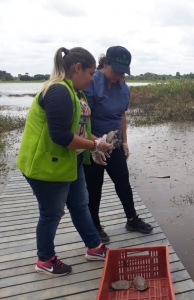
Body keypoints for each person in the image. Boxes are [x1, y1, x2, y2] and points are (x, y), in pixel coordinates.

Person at [16, 47, 113, 276]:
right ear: (77, 68)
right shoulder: (58, 91)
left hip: (70, 162)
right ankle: (45, 260)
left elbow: (78, 129)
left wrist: (96, 140)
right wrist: (95, 146)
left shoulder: (77, 92)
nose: (92, 79)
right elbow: (60, 135)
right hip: (46, 167)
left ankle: (94, 247)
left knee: (80, 205)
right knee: (51, 214)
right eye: (90, 74)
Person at [83, 46, 153, 244]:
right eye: (116, 70)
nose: (119, 75)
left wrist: (124, 142)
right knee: (94, 186)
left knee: (122, 179)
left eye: (124, 71)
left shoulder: (124, 88)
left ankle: (132, 220)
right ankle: (95, 225)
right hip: (92, 143)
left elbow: (121, 115)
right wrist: (96, 142)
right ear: (105, 64)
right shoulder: (91, 82)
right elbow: (83, 118)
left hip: (114, 142)